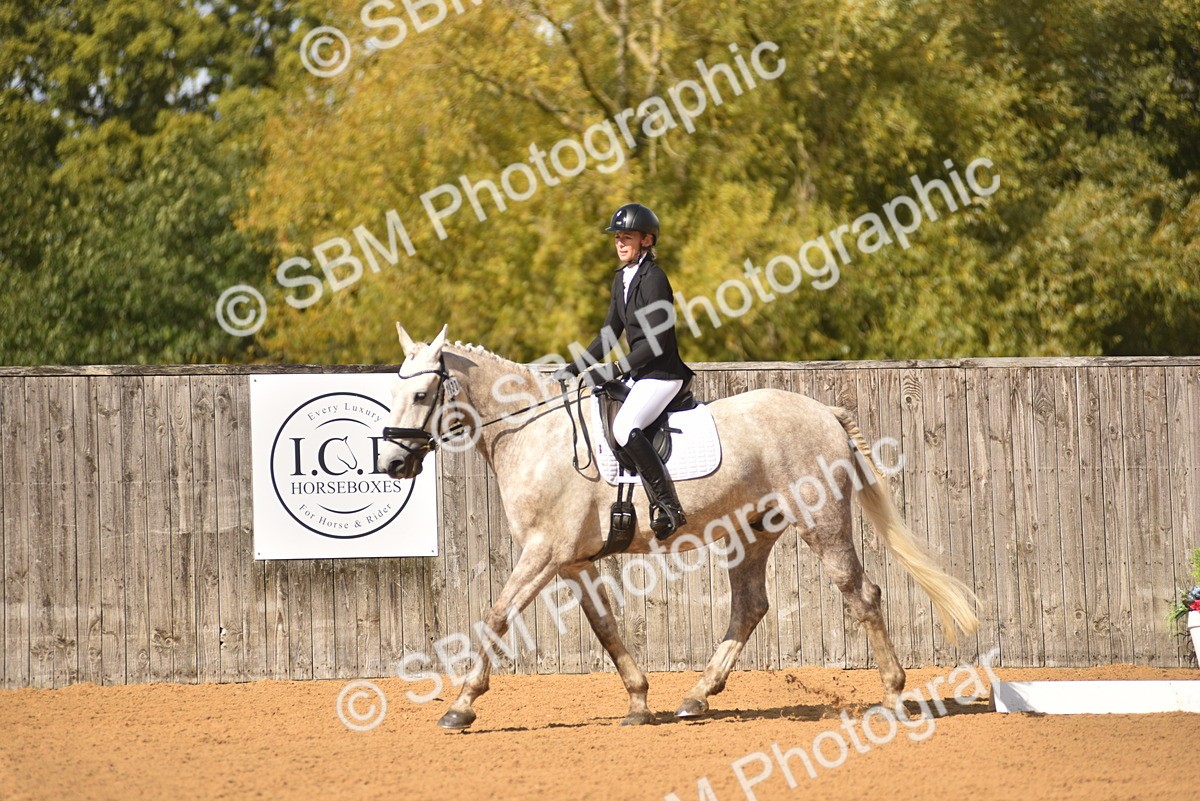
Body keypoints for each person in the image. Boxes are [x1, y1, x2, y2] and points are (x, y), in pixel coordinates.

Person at [552, 203, 696, 537]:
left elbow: (657, 342)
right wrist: (575, 367)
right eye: (617, 237)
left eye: (627, 237)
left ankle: (668, 506)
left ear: (647, 240)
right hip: (640, 374)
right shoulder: (622, 279)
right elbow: (608, 333)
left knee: (624, 426)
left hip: (663, 374)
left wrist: (615, 368)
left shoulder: (655, 279)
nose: (619, 242)